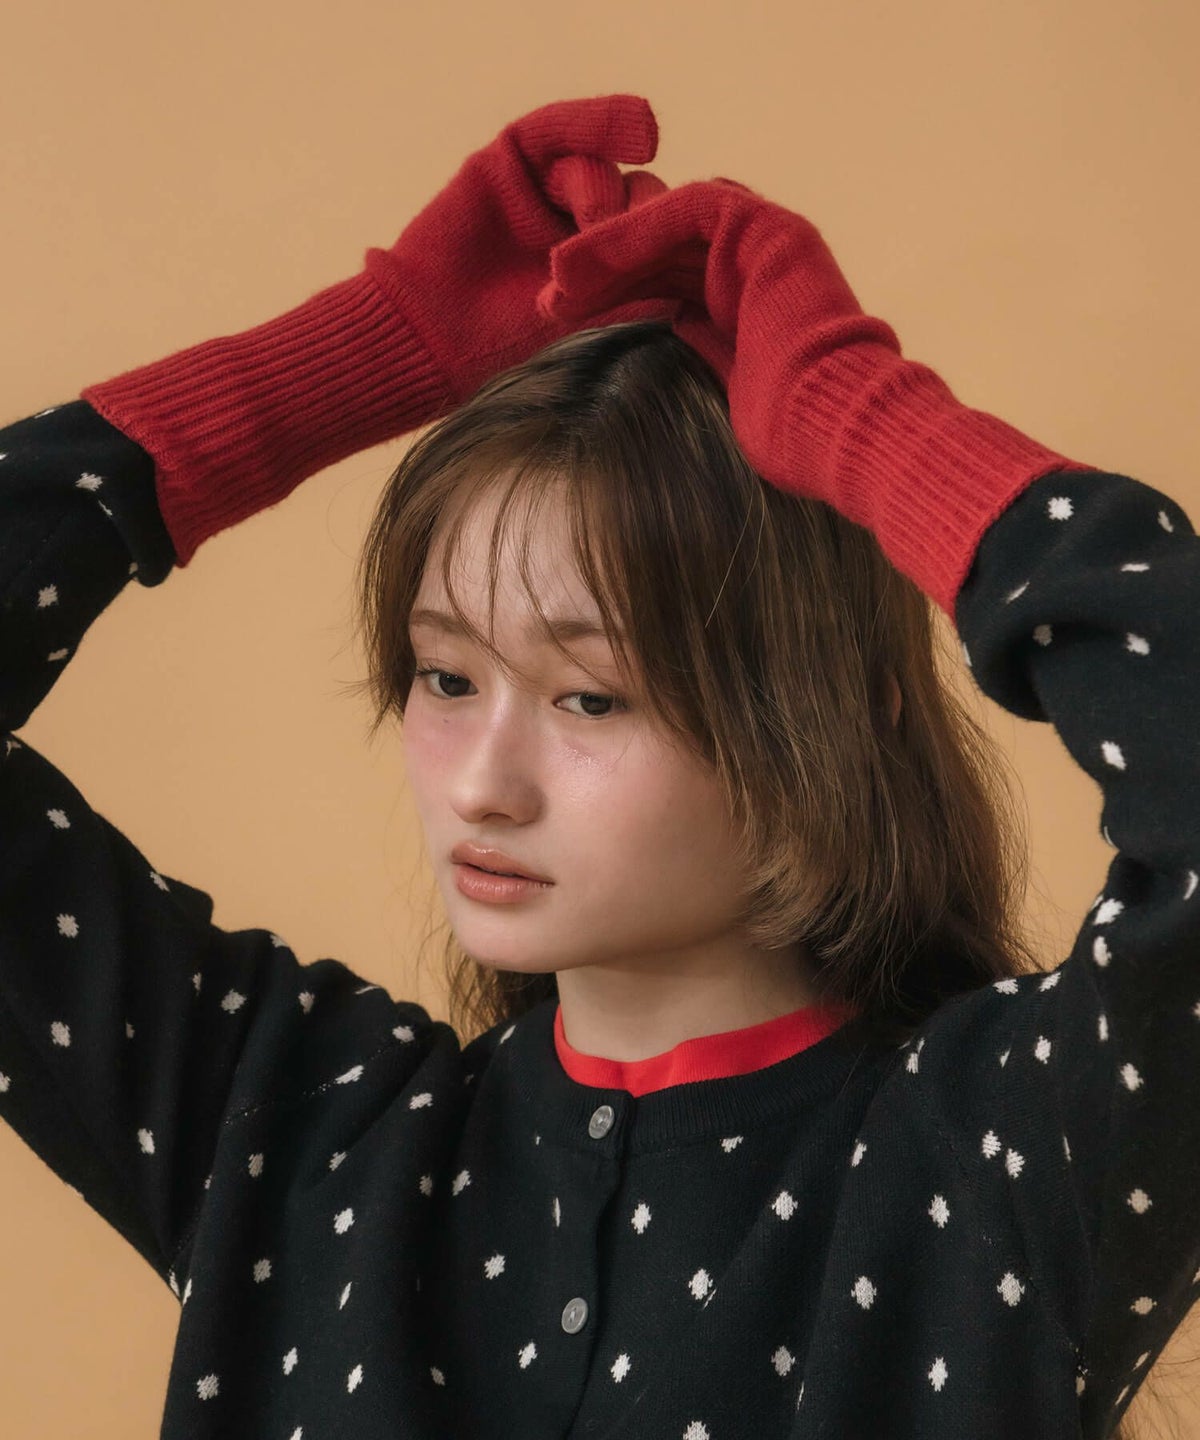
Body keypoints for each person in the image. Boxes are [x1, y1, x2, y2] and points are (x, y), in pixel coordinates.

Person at [0, 92, 1194, 1440]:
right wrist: (368, 352)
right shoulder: (291, 1133)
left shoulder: (1007, 1164)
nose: (483, 785)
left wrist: (866, 421)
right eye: (447, 678)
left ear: (813, 722)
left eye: (590, 697)